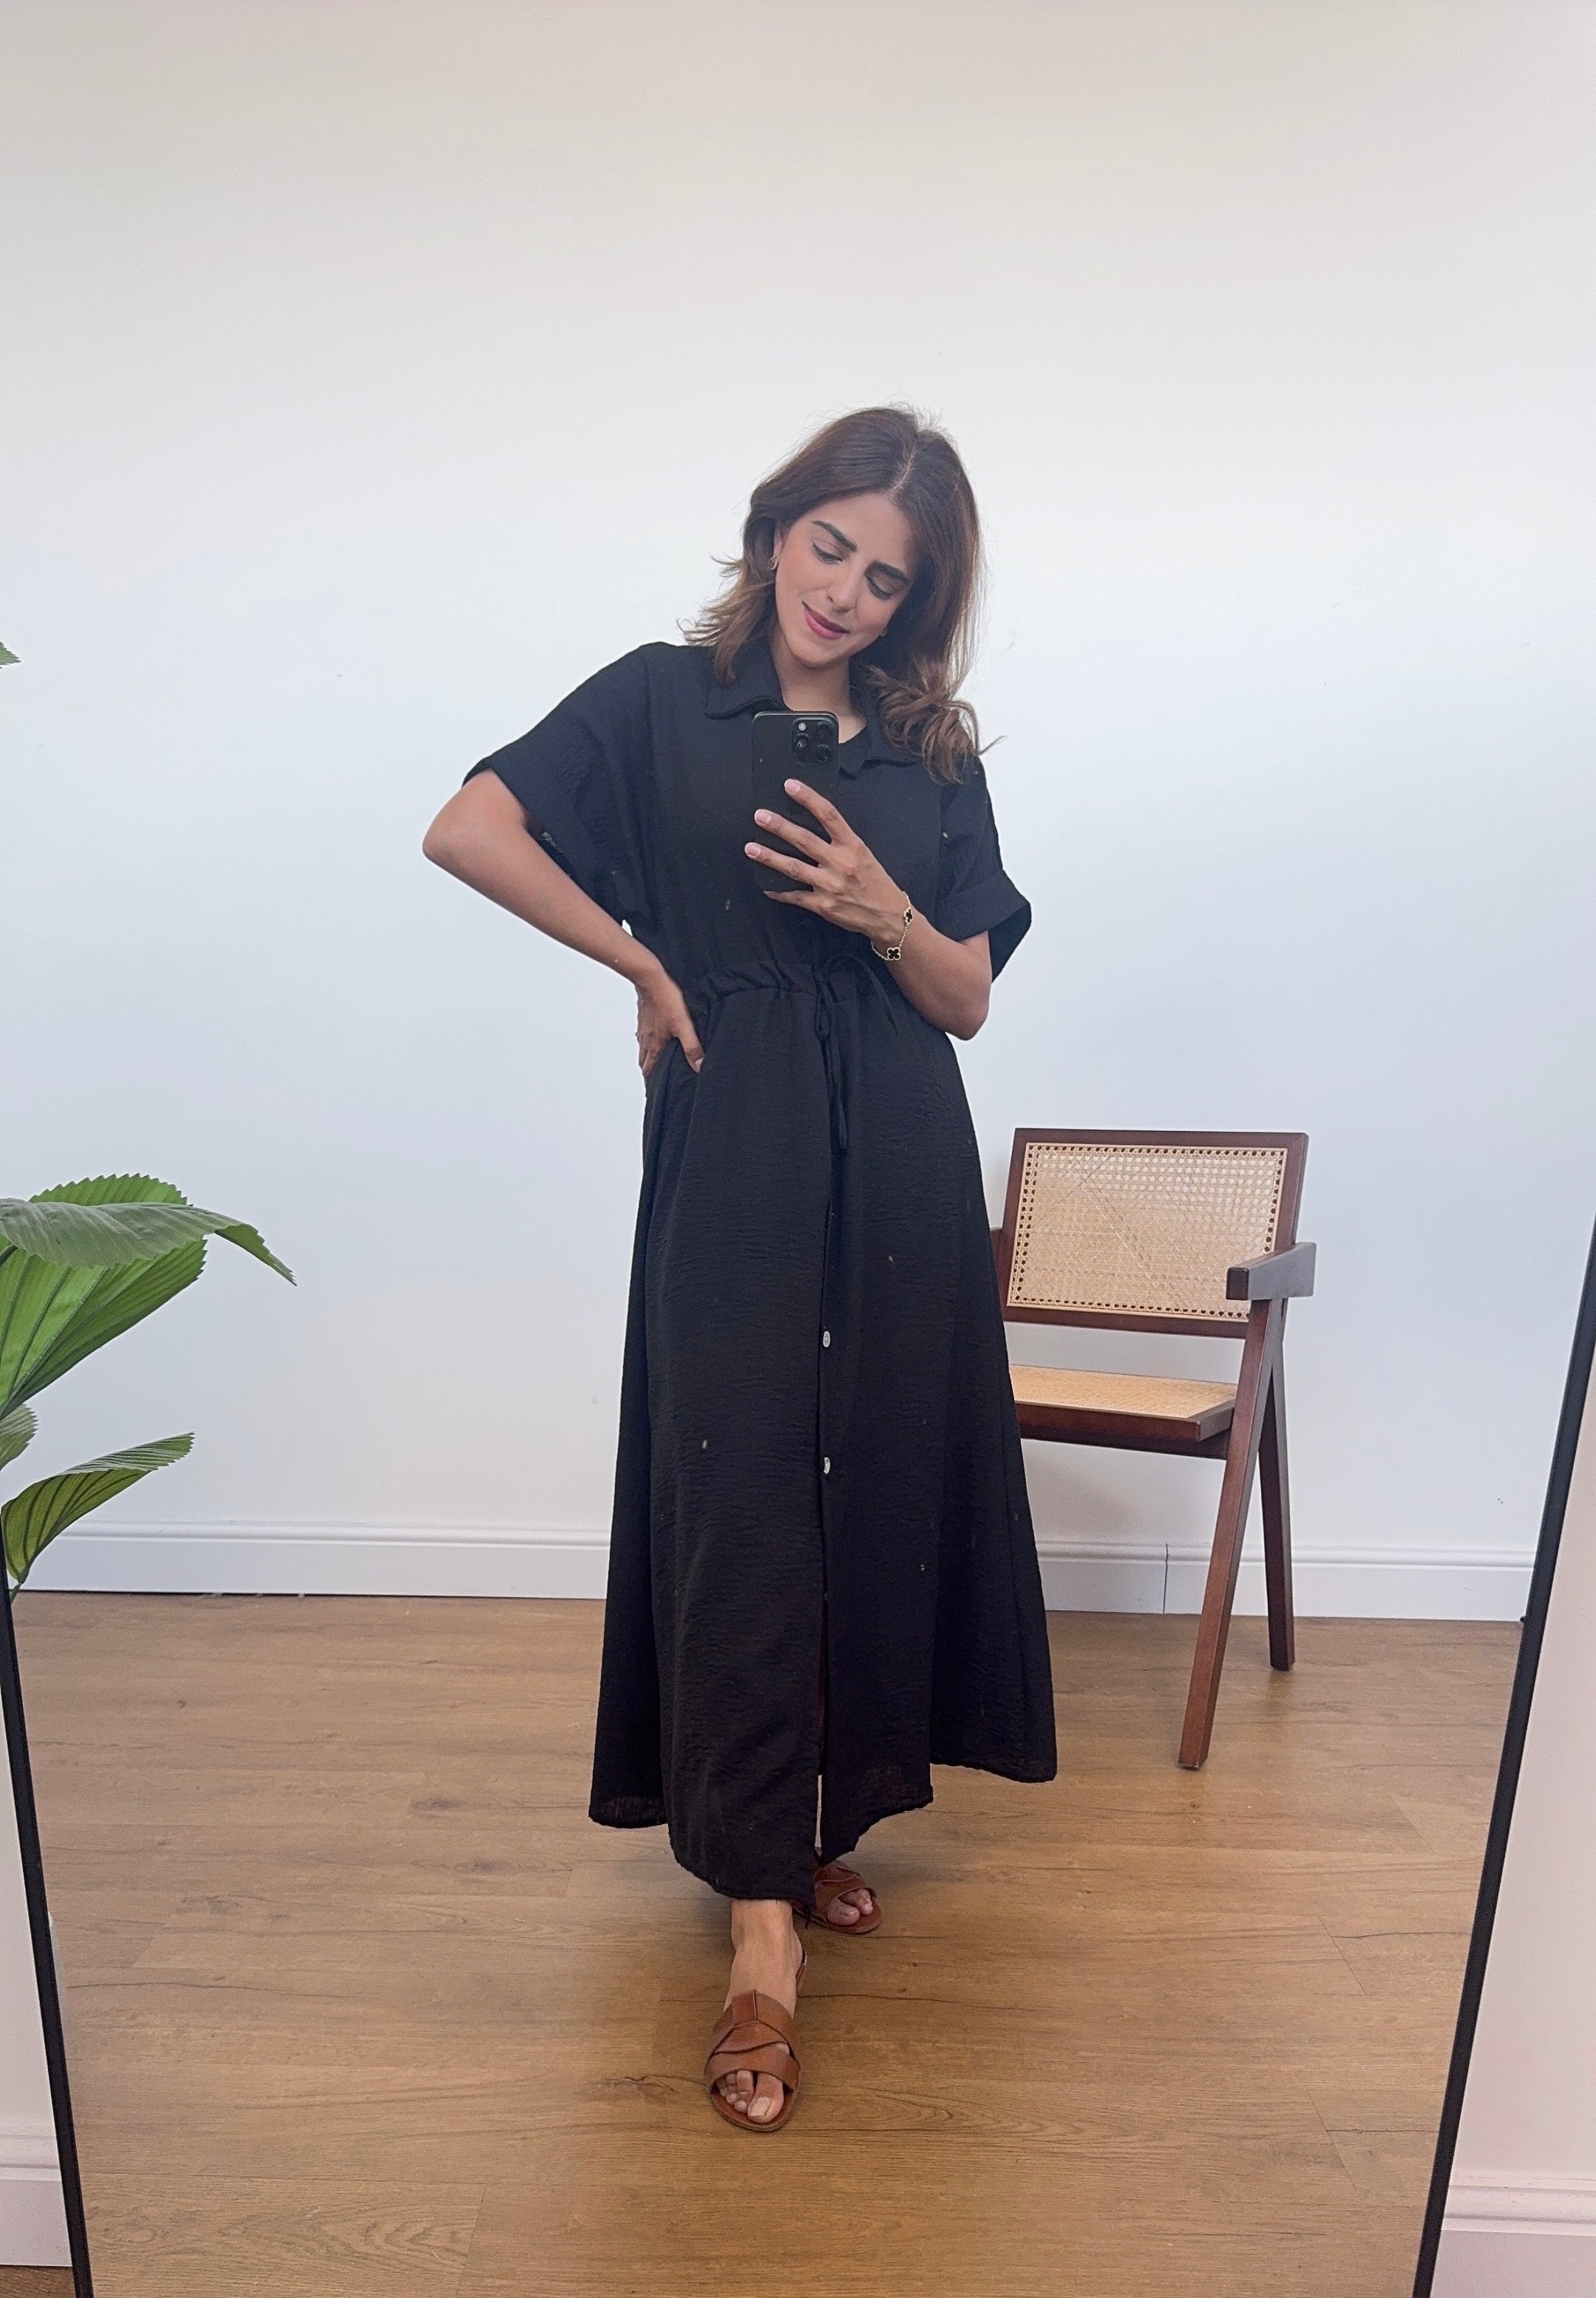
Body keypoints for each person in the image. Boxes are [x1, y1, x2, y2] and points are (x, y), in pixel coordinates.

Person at [424, 405, 1056, 2133]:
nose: (843, 590)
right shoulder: (658, 700)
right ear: (778, 526)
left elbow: (965, 995)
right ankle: (759, 1928)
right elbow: (469, 828)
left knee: (879, 1476)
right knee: (745, 1485)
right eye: (827, 544)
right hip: (741, 1128)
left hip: (904, 1144)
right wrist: (640, 958)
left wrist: (877, 904)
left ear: (921, 601)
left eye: (887, 576)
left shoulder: (930, 752)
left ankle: (811, 1823)